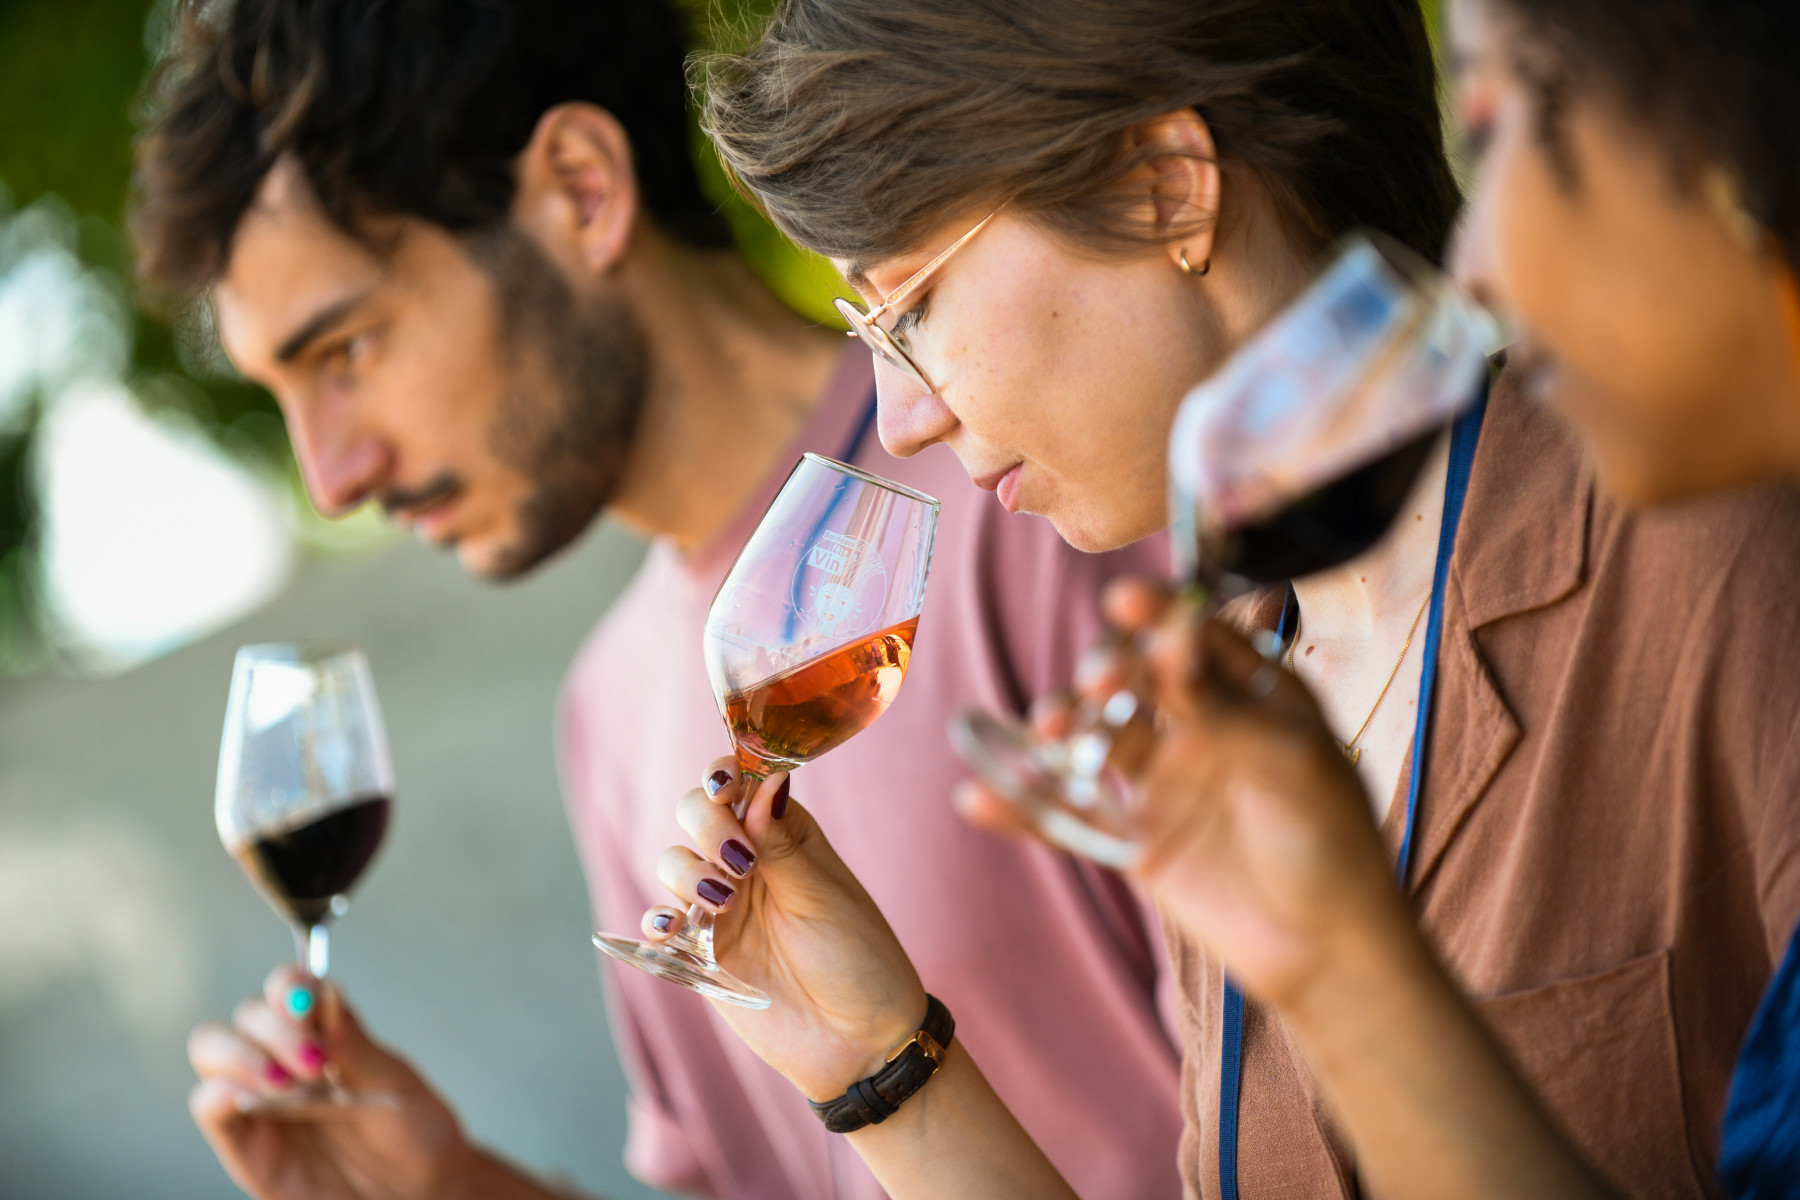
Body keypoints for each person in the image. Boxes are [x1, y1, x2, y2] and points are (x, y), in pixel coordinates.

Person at [621, 0, 1800, 1196]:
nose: (900, 418)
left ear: (1166, 189)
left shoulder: (1733, 565)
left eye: (909, 309)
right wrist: (879, 1063)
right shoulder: (1228, 718)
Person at [131, 2, 1184, 1198]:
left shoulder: (1053, 491)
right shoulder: (609, 709)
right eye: (285, 391)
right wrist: (449, 1187)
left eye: (350, 351)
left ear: (583, 190)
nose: (332, 474)